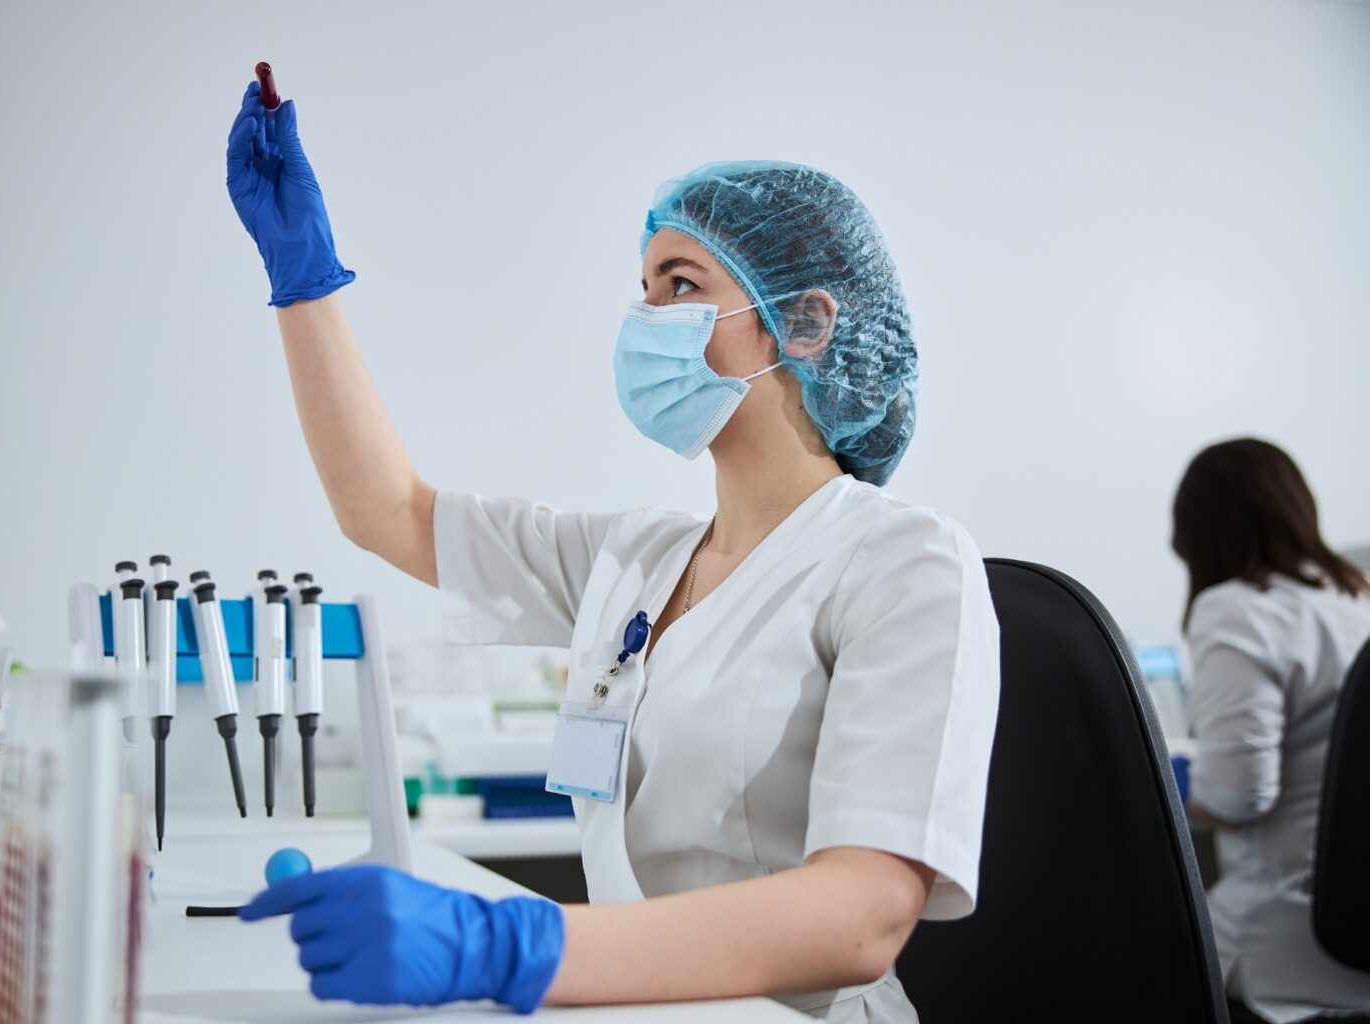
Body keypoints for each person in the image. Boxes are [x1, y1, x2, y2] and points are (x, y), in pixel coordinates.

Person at [225, 79, 999, 1023]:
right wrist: (304, 282)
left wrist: (505, 946)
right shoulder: (634, 559)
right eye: (643, 291)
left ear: (804, 323)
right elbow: (388, 511)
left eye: (682, 285)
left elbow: (862, 915)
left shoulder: (906, 563)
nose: (646, 320)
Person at [1173, 439, 1370, 1024]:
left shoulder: (1236, 610)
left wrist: (1163, 788)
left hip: (1288, 945)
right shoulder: (1357, 597)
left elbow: (1237, 796)